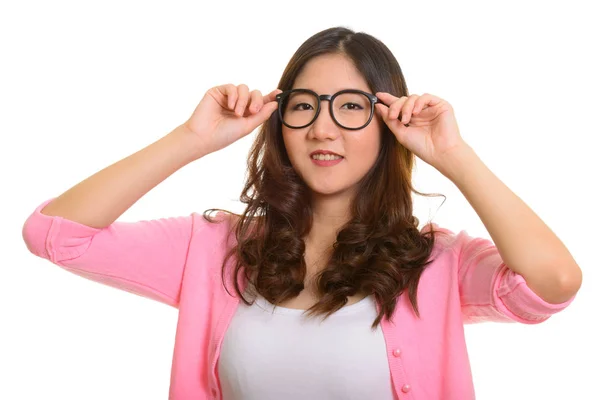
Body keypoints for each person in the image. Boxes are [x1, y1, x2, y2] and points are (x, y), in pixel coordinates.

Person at [22, 26, 582, 400]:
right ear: (279, 120)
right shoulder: (213, 248)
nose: (323, 128)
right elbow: (54, 233)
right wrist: (192, 138)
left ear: (389, 126)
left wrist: (454, 155)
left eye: (351, 107)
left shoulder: (436, 263)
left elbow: (552, 285)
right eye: (304, 106)